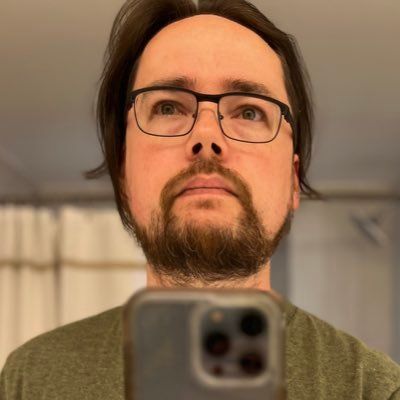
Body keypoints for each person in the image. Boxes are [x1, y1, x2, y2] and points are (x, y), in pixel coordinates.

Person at [1, 0, 399, 398]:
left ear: (293, 181)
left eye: (249, 112)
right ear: (123, 174)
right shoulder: (28, 381)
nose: (207, 137)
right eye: (168, 107)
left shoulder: (374, 389)